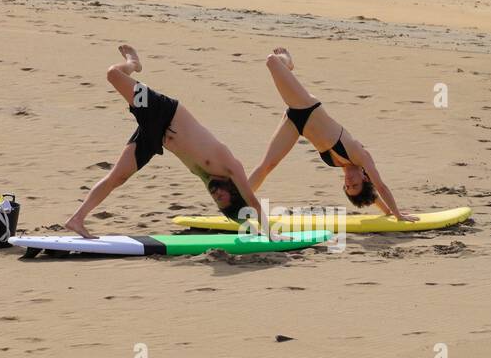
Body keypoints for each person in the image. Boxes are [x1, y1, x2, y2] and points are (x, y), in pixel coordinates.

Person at [64, 45, 267, 238]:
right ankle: (133, 62)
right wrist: (268, 232)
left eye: (217, 201)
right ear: (233, 190)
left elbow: (239, 211)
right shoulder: (229, 165)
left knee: (117, 177)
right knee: (114, 75)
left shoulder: (208, 177)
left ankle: (77, 219)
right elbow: (252, 202)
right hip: (163, 112)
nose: (214, 195)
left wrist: (250, 229)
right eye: (221, 197)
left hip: (154, 136)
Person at [249, 47, 417, 221]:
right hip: (306, 106)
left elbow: (371, 196)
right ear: (365, 179)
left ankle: (239, 204)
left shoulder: (344, 166)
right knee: (272, 60)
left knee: (267, 166)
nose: (349, 181)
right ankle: (287, 61)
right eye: (355, 183)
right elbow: (380, 187)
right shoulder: (361, 155)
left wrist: (386, 211)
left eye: (348, 186)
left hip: (295, 125)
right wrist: (397, 214)